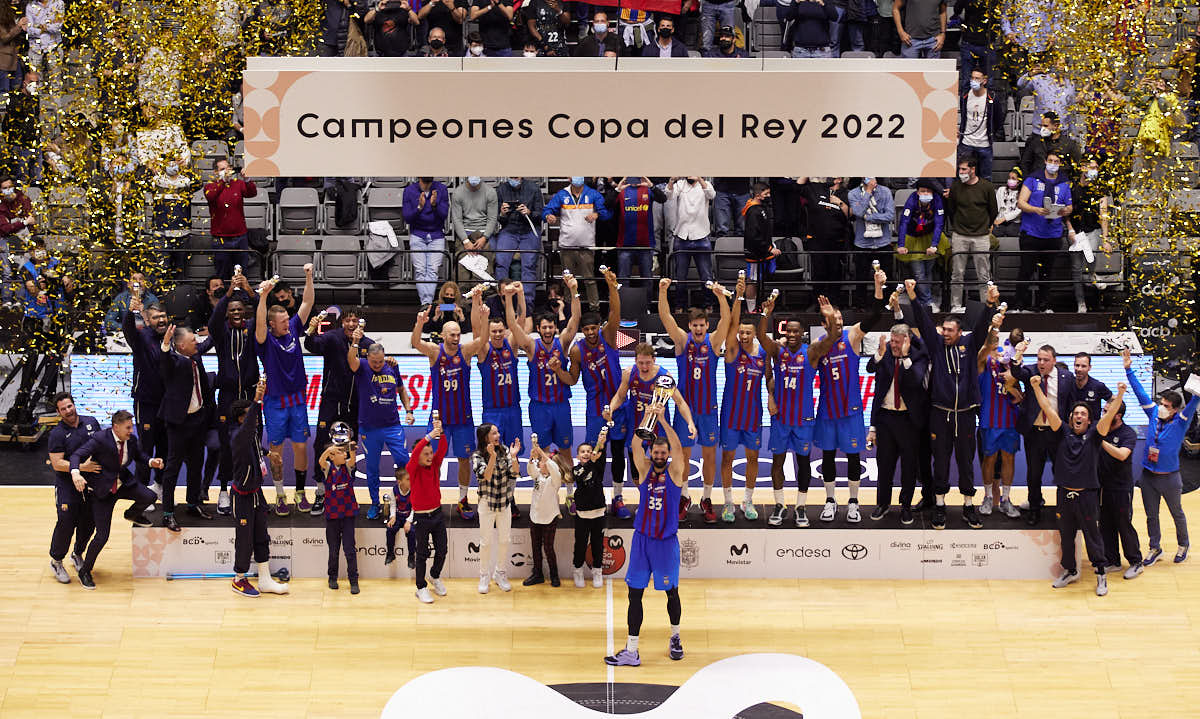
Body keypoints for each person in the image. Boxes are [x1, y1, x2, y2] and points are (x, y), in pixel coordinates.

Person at [905, 279, 1000, 529]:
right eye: (943, 329)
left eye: (949, 330)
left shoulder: (969, 345)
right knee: (941, 460)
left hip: (966, 414)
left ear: (959, 332)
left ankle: (969, 505)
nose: (944, 333)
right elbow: (924, 324)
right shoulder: (936, 346)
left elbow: (981, 327)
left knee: (966, 461)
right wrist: (913, 297)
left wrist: (990, 303)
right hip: (940, 414)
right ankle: (939, 505)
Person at [604, 407, 687, 667]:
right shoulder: (644, 470)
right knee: (634, 594)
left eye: (664, 453)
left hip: (665, 544)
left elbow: (679, 447)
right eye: (656, 452)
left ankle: (675, 637)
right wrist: (647, 417)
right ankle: (632, 650)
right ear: (652, 453)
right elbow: (635, 444)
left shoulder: (675, 474)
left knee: (671, 593)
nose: (660, 456)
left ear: (668, 455)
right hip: (642, 541)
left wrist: (663, 419)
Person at [1029, 373, 1125, 596]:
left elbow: (1110, 414)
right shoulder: (1062, 432)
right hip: (1064, 495)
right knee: (1066, 536)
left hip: (1087, 496)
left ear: (1089, 420)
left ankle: (1101, 574)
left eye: (1083, 414)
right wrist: (1035, 387)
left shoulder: (1094, 436)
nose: (1079, 416)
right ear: (1071, 418)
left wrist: (1119, 394)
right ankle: (1070, 570)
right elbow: (1047, 407)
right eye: (1076, 414)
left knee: (1093, 536)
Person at [809, 270, 887, 523]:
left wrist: (877, 286)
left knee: (854, 457)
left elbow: (875, 315)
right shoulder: (819, 345)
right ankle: (830, 500)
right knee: (828, 457)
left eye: (840, 317)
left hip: (851, 412)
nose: (839, 321)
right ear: (824, 323)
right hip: (827, 412)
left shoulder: (852, 336)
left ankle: (854, 501)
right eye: (833, 318)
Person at [412, 289, 490, 519]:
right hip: (439, 420)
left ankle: (463, 500)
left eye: (458, 334)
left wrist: (484, 318)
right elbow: (416, 342)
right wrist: (419, 323)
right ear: (444, 335)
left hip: (463, 419)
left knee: (464, 459)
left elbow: (483, 340)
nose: (456, 338)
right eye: (452, 335)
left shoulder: (465, 353)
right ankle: (431, 498)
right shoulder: (435, 352)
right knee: (429, 459)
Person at [658, 279, 732, 523]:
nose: (698, 329)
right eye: (695, 326)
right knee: (684, 456)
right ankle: (685, 496)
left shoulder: (713, 343)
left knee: (710, 457)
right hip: (685, 410)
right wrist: (662, 291)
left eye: (702, 325)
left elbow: (726, 321)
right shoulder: (682, 341)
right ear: (689, 326)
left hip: (708, 410)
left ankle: (707, 498)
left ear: (706, 325)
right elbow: (666, 316)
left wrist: (721, 296)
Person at [69, 410, 162, 590]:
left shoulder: (131, 440)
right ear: (115, 427)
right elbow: (76, 456)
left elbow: (139, 456)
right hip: (103, 491)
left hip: (122, 483)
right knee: (102, 536)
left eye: (131, 427)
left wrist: (151, 462)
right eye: (127, 428)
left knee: (150, 496)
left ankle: (132, 514)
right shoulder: (100, 439)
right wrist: (76, 473)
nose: (131, 431)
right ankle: (85, 571)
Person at [1124, 347, 1197, 566]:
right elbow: (1139, 393)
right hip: (1148, 476)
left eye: (1166, 406)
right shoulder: (1154, 413)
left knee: (1177, 513)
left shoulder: (1181, 422)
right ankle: (1154, 547)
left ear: (1175, 410)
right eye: (1162, 404)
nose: (1162, 408)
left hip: (1170, 478)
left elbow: (1194, 403)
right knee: (1151, 516)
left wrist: (1196, 390)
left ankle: (1183, 544)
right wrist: (1128, 370)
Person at [563, 272, 630, 509]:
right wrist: (557, 371)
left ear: (598, 327)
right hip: (594, 411)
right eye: (587, 330)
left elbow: (615, 313)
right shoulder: (577, 351)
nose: (591, 333)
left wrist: (612, 286)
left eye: (593, 328)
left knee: (620, 453)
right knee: (596, 454)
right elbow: (572, 379)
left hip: (619, 405)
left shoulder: (609, 337)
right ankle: (595, 494)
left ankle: (619, 497)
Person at [254, 267, 315, 515]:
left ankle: (300, 492)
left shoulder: (292, 327)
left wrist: (309, 277)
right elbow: (259, 324)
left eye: (287, 322)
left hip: (298, 400)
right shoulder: (265, 340)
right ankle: (279, 494)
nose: (287, 326)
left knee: (301, 448)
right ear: (271, 325)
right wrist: (262, 297)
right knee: (276, 452)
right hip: (275, 402)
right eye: (281, 323)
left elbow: (308, 301)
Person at [604, 343, 697, 503]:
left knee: (659, 466)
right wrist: (610, 409)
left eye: (648, 362)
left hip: (659, 429)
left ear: (654, 360)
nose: (644, 366)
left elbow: (680, 402)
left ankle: (660, 500)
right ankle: (645, 500)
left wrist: (690, 422)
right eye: (641, 363)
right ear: (635, 361)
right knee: (637, 470)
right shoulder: (629, 373)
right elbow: (620, 396)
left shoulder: (664, 377)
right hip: (637, 426)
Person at [505, 276, 581, 467]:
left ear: (555, 328)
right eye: (544, 327)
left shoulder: (562, 343)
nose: (548, 330)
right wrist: (512, 297)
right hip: (539, 407)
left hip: (561, 404)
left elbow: (576, 319)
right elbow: (513, 325)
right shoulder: (531, 346)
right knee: (542, 452)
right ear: (538, 328)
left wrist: (573, 291)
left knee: (566, 451)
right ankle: (544, 491)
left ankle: (570, 492)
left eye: (551, 327)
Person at [757, 292, 819, 526]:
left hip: (803, 418)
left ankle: (801, 507)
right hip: (781, 417)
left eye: (796, 331)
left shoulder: (810, 353)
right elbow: (761, 336)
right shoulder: (777, 351)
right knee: (777, 463)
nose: (792, 334)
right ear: (784, 333)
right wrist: (766, 313)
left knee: (803, 463)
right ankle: (780, 505)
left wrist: (831, 319)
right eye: (788, 331)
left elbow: (832, 338)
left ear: (802, 333)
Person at [305, 307, 372, 514]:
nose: (351, 324)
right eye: (347, 320)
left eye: (354, 320)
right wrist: (311, 329)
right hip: (331, 401)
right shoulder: (332, 338)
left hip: (355, 404)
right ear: (341, 322)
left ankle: (346, 491)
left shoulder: (368, 344)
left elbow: (376, 366)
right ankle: (320, 491)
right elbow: (311, 346)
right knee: (320, 443)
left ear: (361, 323)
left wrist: (389, 361)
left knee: (350, 448)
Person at [865, 322, 930, 524]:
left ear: (907, 341)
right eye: (892, 340)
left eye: (897, 341)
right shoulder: (885, 354)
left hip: (908, 421)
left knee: (909, 467)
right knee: (884, 465)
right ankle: (883, 504)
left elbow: (916, 380)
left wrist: (904, 357)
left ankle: (906, 506)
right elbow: (869, 368)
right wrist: (879, 353)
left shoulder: (918, 357)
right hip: (885, 418)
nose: (893, 345)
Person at [229, 380, 289, 597]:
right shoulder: (238, 436)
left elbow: (254, 445)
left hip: (256, 493)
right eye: (251, 415)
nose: (256, 419)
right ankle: (239, 579)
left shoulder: (251, 435)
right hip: (242, 497)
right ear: (241, 418)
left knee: (262, 536)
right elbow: (246, 435)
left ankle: (264, 579)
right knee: (244, 540)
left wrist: (267, 453)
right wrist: (257, 399)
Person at [718, 276, 769, 522]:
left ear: (754, 334)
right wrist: (738, 297)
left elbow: (770, 381)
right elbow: (731, 324)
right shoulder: (732, 351)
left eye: (749, 332)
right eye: (742, 332)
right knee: (727, 458)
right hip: (730, 415)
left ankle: (748, 500)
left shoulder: (762, 357)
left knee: (752, 458)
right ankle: (728, 503)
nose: (745, 335)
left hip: (753, 417)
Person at [348, 334, 416, 518]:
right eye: (374, 362)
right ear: (367, 358)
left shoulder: (392, 366)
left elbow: (401, 390)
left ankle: (405, 499)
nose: (377, 365)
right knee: (371, 468)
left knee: (404, 462)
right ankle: (374, 503)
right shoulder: (361, 366)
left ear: (384, 356)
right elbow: (350, 360)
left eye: (380, 361)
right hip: (369, 429)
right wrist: (355, 342)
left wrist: (409, 410)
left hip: (393, 426)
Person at [208, 274, 258, 516]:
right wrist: (228, 294)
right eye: (232, 310)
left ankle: (253, 488)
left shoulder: (251, 329)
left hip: (248, 396)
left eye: (240, 309)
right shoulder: (220, 333)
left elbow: (262, 311)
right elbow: (214, 320)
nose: (236, 313)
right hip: (227, 397)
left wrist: (249, 292)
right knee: (227, 446)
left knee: (253, 443)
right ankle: (224, 490)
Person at [157, 323, 216, 531]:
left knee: (195, 465)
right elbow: (164, 363)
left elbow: (207, 342)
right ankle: (167, 513)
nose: (196, 343)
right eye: (193, 341)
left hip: (197, 420)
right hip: (178, 423)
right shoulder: (173, 361)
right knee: (172, 467)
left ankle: (193, 503)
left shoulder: (195, 357)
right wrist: (165, 344)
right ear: (181, 346)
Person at [1011, 342, 1074, 525]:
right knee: (1034, 474)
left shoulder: (1067, 377)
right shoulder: (1031, 372)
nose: (1041, 363)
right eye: (1039, 359)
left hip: (1057, 433)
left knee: (1060, 471)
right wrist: (1018, 354)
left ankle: (1063, 508)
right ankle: (1034, 508)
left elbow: (1070, 404)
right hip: (1035, 433)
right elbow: (1016, 372)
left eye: (1046, 360)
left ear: (1054, 361)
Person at [46, 393, 100, 584]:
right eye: (63, 409)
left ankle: (77, 553)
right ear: (59, 412)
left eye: (70, 406)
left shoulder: (91, 422)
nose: (68, 411)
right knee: (66, 523)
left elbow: (101, 446)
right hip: (67, 486)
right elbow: (57, 463)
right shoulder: (57, 434)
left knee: (89, 521)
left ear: (74, 405)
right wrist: (80, 468)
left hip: (91, 484)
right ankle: (56, 560)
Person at [122, 296, 170, 496]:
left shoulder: (172, 336)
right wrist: (130, 313)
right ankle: (141, 491)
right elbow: (128, 330)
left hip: (167, 403)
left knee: (165, 447)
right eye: (156, 317)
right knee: (145, 448)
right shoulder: (141, 338)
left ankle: (159, 486)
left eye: (163, 316)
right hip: (146, 402)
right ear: (148, 321)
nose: (161, 320)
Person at [1015, 151, 1072, 313]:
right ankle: (1020, 306)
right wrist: (1035, 210)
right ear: (1045, 161)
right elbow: (1021, 203)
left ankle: (1044, 306)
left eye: (1056, 161)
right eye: (1050, 160)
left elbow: (1070, 206)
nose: (1053, 163)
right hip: (1031, 233)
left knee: (1047, 273)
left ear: (1060, 164)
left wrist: (1064, 211)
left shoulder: (1064, 183)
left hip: (1052, 235)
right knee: (1026, 270)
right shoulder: (1033, 179)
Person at [976, 327, 1023, 518]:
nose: (999, 352)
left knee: (1009, 458)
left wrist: (1012, 387)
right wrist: (992, 332)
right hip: (990, 420)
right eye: (995, 348)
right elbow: (983, 351)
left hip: (1010, 421)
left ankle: (1005, 499)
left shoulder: (1012, 366)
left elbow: (1021, 397)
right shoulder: (984, 363)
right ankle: (987, 497)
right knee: (989, 459)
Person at [544, 177, 611, 310]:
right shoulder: (561, 194)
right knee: (568, 280)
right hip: (566, 246)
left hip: (586, 246)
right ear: (569, 178)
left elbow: (607, 213)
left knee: (590, 280)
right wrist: (548, 216)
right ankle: (569, 309)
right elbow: (547, 210)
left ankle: (595, 310)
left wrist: (597, 214)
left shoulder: (593, 194)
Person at [1097, 397, 1144, 579]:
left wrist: (1100, 441)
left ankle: (1135, 561)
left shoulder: (1127, 433)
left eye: (1108, 412)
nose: (1104, 414)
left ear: (1118, 415)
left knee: (1123, 524)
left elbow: (1122, 455)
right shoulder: (1102, 429)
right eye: (1103, 411)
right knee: (1106, 524)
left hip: (1121, 487)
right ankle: (1112, 561)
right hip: (1103, 486)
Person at [945, 156, 998, 313]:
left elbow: (993, 210)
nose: (960, 172)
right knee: (957, 274)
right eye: (959, 169)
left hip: (981, 235)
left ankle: (986, 305)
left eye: (964, 169)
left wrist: (986, 226)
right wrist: (957, 226)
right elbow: (951, 209)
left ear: (973, 169)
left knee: (983, 274)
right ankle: (955, 306)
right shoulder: (955, 186)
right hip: (960, 234)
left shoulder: (986, 186)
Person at [409, 419, 450, 603]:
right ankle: (421, 587)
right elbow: (417, 452)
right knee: (422, 554)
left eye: (430, 452)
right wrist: (427, 437)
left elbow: (443, 448)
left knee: (442, 550)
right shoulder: (413, 469)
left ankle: (434, 575)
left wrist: (439, 432)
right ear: (417, 456)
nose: (429, 456)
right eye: (425, 453)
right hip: (421, 518)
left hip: (437, 515)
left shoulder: (434, 466)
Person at [566, 424, 611, 587]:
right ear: (578, 456)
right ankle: (577, 570)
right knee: (580, 545)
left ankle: (597, 571)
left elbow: (600, 456)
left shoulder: (597, 466)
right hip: (583, 515)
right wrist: (591, 461)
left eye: (588, 451)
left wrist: (602, 443)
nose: (586, 453)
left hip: (599, 513)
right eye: (582, 451)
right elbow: (582, 476)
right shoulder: (576, 470)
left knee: (598, 545)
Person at [1064, 158, 1109, 313]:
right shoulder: (1072, 188)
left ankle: (1093, 284)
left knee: (1091, 261)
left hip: (1093, 231)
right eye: (1092, 167)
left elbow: (1104, 215)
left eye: (1097, 167)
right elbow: (1066, 212)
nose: (1094, 170)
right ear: (1083, 168)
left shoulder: (1100, 189)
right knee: (1076, 269)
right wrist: (1070, 230)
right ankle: (1080, 302)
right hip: (1076, 233)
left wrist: (1106, 238)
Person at [316, 438, 360, 593]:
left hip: (348, 515)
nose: (344, 454)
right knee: (333, 550)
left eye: (343, 452)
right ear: (332, 456)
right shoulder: (328, 468)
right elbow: (321, 460)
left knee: (349, 549)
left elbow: (352, 459)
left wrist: (352, 448)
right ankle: (332, 578)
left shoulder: (347, 467)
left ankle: (353, 580)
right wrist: (329, 450)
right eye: (340, 452)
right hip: (333, 517)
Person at [204, 159, 257, 281]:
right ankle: (222, 297)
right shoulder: (210, 186)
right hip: (220, 238)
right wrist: (223, 181)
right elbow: (211, 196)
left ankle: (242, 297)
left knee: (241, 273)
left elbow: (252, 193)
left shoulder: (237, 183)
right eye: (222, 169)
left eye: (228, 168)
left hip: (240, 237)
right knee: (221, 272)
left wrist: (247, 179)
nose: (226, 171)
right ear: (215, 172)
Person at [895, 180, 945, 311]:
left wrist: (934, 245)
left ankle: (922, 300)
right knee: (919, 273)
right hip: (912, 237)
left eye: (928, 191)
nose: (926, 193)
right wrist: (901, 244)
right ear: (917, 192)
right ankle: (928, 302)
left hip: (929, 237)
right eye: (923, 191)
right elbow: (904, 222)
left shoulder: (937, 200)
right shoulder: (912, 200)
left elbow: (939, 223)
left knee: (928, 271)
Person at [494, 177, 544, 307]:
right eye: (511, 177)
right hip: (509, 229)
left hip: (529, 229)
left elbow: (540, 215)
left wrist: (529, 212)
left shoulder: (534, 188)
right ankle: (502, 299)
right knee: (500, 263)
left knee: (529, 267)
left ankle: (526, 304)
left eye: (516, 177)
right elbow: (500, 220)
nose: (514, 179)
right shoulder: (501, 189)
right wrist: (503, 214)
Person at [667, 177, 716, 309]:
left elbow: (712, 195)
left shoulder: (705, 185)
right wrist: (671, 181)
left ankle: (708, 305)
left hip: (702, 236)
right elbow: (668, 195)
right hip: (682, 236)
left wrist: (700, 179)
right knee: (680, 277)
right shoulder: (680, 184)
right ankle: (679, 306)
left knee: (706, 275)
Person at [402, 177, 451, 307]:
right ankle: (427, 303)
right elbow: (407, 218)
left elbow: (444, 215)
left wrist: (434, 205)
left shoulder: (442, 189)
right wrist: (419, 207)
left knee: (432, 270)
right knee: (420, 270)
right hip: (417, 234)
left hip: (437, 235)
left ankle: (426, 304)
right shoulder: (409, 190)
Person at [848, 177, 896, 308]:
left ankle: (888, 305)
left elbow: (890, 216)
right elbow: (858, 212)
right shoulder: (853, 193)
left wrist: (868, 217)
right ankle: (861, 307)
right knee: (861, 278)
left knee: (887, 277)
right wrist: (868, 191)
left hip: (883, 242)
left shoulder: (885, 191)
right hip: (862, 243)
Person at [524, 434, 565, 586]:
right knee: (535, 547)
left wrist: (540, 451)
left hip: (549, 517)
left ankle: (554, 575)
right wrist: (532, 456)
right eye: (541, 462)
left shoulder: (555, 479)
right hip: (535, 516)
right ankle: (537, 574)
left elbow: (553, 467)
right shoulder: (537, 476)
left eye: (544, 461)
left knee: (548, 547)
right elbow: (530, 469)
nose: (542, 464)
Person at [612, 176, 665, 286]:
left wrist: (652, 185)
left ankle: (647, 303)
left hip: (645, 245)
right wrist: (618, 189)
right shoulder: (622, 190)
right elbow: (607, 204)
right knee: (623, 279)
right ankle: (623, 303)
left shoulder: (647, 190)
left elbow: (663, 198)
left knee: (647, 279)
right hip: (625, 245)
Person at [957, 68, 1003, 182]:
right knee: (963, 176)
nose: (974, 81)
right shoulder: (965, 95)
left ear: (984, 81)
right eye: (972, 78)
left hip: (984, 143)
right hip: (966, 142)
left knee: (985, 177)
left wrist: (992, 134)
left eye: (977, 78)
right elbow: (963, 116)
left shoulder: (992, 97)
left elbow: (998, 119)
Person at [451, 176, 498, 281]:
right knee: (462, 273)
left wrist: (484, 238)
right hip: (465, 235)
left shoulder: (490, 192)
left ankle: (483, 297)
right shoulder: (458, 193)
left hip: (484, 235)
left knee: (484, 272)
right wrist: (466, 241)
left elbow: (492, 219)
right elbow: (457, 220)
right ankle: (463, 296)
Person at [0, 175, 36, 307]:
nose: (8, 190)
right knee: (7, 271)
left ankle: (20, 301)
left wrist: (16, 224)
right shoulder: (1, 204)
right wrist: (23, 222)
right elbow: (4, 228)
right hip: (4, 240)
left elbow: (31, 220)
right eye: (5, 188)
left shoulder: (24, 200)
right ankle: (7, 300)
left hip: (23, 239)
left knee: (21, 270)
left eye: (10, 187)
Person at [743, 181, 778, 311]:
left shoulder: (761, 208)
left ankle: (758, 306)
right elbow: (753, 235)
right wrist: (769, 248)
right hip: (754, 252)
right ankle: (751, 310)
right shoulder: (752, 210)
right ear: (758, 195)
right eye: (766, 193)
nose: (769, 196)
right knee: (752, 280)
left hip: (761, 252)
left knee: (758, 281)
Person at [1019, 111, 1082, 180]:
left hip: (1060, 183)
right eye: (1041, 126)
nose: (1042, 129)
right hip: (1038, 182)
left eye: (1045, 126)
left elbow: (1077, 166)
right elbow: (1025, 163)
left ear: (1056, 126)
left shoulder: (1069, 144)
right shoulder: (1036, 142)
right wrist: (1029, 181)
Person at [384, 466, 415, 569]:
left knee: (411, 532)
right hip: (398, 516)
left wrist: (409, 521)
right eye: (408, 479)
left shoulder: (414, 490)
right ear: (399, 482)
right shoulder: (394, 490)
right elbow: (393, 504)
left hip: (409, 516)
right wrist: (392, 517)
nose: (411, 481)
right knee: (390, 529)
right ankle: (390, 554)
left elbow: (415, 507)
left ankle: (411, 556)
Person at [1067, 352, 1112, 422]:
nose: (1079, 369)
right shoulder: (1067, 384)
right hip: (1071, 428)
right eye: (1077, 365)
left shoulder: (1098, 386)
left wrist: (1106, 418)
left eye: (1083, 366)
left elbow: (1114, 401)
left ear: (1089, 367)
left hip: (1093, 429)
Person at [993, 168, 1023, 238]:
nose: (1010, 180)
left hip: (1014, 222)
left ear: (1019, 181)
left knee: (1011, 232)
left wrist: (1004, 219)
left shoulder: (1022, 194)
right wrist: (995, 220)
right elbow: (996, 206)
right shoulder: (1001, 190)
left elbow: (1018, 211)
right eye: (1009, 178)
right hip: (1000, 220)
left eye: (1013, 178)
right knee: (996, 232)